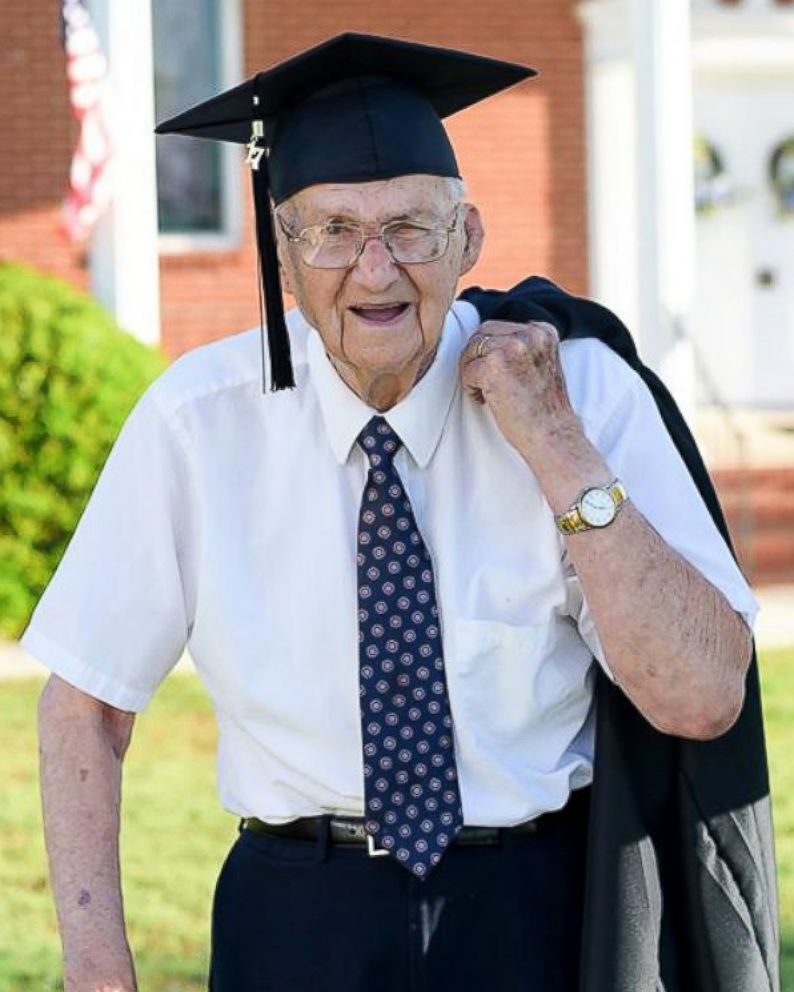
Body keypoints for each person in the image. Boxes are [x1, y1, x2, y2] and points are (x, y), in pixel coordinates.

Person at [22, 33, 777, 992]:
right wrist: (96, 966)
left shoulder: (583, 391)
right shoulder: (195, 422)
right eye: (333, 230)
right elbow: (84, 707)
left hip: (537, 916)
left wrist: (556, 447)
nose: (375, 271)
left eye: (412, 229)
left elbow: (705, 697)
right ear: (283, 253)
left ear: (468, 240)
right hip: (294, 919)